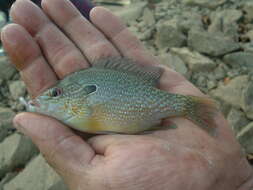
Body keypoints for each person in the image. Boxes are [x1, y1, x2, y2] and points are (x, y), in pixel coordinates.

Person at [1, 0, 253, 189]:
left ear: (73, 93)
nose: (50, 97)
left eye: (56, 93)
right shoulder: (76, 107)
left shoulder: (81, 107)